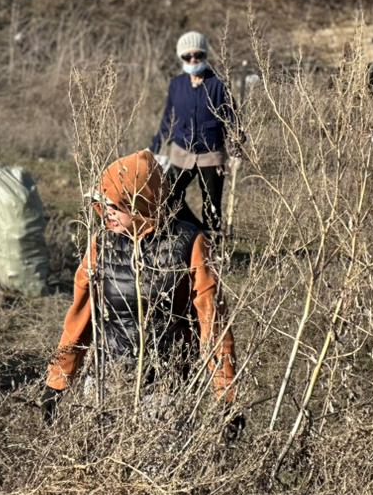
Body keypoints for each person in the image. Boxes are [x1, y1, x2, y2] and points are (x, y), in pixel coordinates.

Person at [45, 150, 236, 407]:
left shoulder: (189, 243)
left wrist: (226, 397)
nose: (107, 213)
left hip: (165, 390)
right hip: (106, 386)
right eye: (104, 204)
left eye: (115, 205)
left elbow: (212, 323)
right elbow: (79, 319)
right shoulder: (101, 245)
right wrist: (58, 381)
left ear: (140, 203)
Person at [150, 31, 238, 235]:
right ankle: (192, 232)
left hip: (211, 154)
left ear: (205, 56)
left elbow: (233, 119)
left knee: (212, 206)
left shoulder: (219, 85)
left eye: (198, 56)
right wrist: (155, 148)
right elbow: (167, 120)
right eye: (187, 57)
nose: (193, 60)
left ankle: (212, 246)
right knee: (168, 196)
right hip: (181, 152)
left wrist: (236, 149)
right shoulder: (177, 85)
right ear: (181, 58)